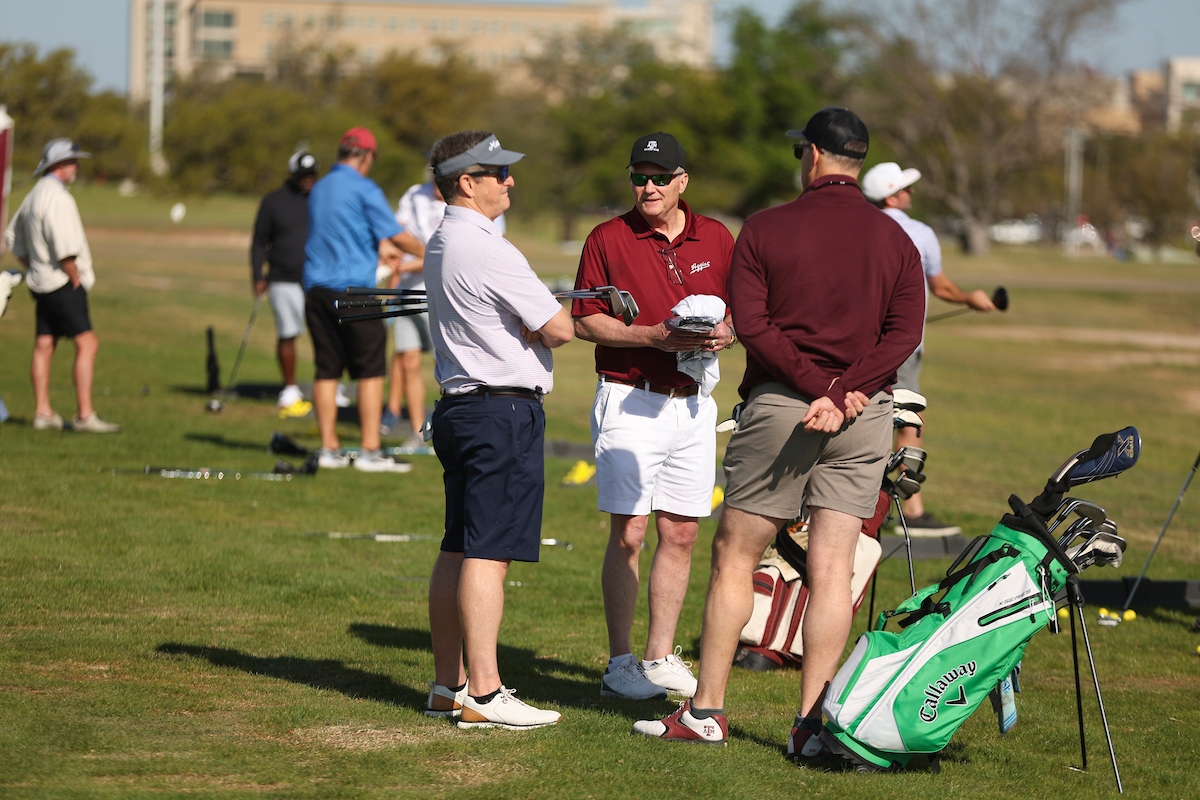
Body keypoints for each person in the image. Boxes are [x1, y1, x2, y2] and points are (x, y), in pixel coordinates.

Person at [632, 108, 925, 753]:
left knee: (736, 553)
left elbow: (754, 326)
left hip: (782, 408)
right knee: (833, 569)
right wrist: (846, 393)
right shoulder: (896, 238)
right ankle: (812, 725)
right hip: (864, 415)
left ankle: (706, 711)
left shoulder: (765, 227)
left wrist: (820, 389)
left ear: (814, 156)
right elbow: (904, 336)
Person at [571, 132, 734, 701]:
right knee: (630, 533)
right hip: (629, 396)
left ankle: (660, 656)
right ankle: (620, 662)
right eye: (640, 176)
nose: (648, 187)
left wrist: (726, 333)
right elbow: (586, 318)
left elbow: (739, 311)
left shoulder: (715, 235)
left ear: (682, 182)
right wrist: (651, 338)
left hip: (694, 403)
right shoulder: (607, 238)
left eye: (660, 177)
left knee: (682, 531)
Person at [424, 130, 573, 730]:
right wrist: (541, 321)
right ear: (468, 181)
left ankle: (446, 686)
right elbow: (559, 328)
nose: (510, 181)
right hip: (500, 413)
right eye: (499, 173)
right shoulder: (492, 249)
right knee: (487, 554)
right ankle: (484, 696)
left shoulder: (441, 240)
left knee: (457, 546)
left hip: (461, 410)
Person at [860, 161, 996, 536]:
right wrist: (971, 298)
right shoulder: (919, 232)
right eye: (905, 188)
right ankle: (909, 511)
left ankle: (867, 501)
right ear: (892, 195)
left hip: (857, 342)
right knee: (909, 418)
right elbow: (941, 287)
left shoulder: (857, 225)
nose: (911, 193)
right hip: (901, 346)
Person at [302, 127, 424, 472]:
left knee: (326, 370)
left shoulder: (320, 187)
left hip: (317, 291)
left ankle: (329, 449)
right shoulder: (364, 187)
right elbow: (398, 236)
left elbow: (348, 231)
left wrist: (378, 249)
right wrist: (432, 250)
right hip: (355, 291)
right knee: (371, 370)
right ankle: (370, 450)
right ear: (367, 156)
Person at [3, 139, 119, 433]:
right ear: (59, 165)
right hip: (62, 283)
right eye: (72, 161)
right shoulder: (58, 197)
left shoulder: (34, 195)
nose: (77, 167)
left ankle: (43, 413)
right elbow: (66, 248)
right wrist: (75, 276)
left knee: (44, 344)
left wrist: (34, 265)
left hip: (40, 283)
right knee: (87, 343)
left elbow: (12, 239)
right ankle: (85, 415)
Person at [251, 150, 319, 414]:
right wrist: (258, 276)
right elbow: (259, 242)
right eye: (304, 175)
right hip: (282, 279)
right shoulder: (273, 201)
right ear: (292, 174)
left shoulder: (322, 199)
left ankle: (327, 386)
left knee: (324, 337)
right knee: (288, 333)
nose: (308, 180)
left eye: (313, 175)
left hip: (317, 281)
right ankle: (290, 388)